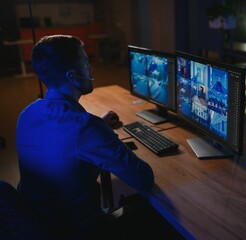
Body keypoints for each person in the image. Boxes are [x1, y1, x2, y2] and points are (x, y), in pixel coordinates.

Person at [15, 35, 155, 239]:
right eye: (86, 63)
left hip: (39, 224)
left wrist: (98, 124)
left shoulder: (27, 114)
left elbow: (61, 135)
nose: (91, 69)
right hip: (79, 231)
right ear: (72, 75)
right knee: (153, 211)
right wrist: (101, 131)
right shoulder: (86, 128)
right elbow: (144, 179)